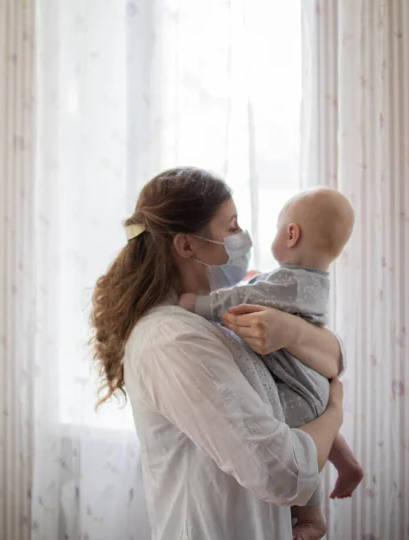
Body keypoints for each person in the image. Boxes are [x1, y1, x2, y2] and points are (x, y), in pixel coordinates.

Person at [90, 167, 345, 540]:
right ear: (187, 245)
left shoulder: (216, 318)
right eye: (232, 226)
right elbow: (283, 473)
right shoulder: (172, 341)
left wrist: (291, 330)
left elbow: (334, 359)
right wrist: (335, 413)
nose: (243, 238)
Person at [179, 188, 364, 538]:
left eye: (279, 227)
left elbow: (243, 297)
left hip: (299, 384)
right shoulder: (309, 280)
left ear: (291, 234)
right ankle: (348, 463)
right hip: (311, 380)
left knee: (301, 438)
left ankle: (311, 516)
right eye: (232, 226)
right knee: (321, 414)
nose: (243, 235)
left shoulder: (288, 280)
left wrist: (197, 304)